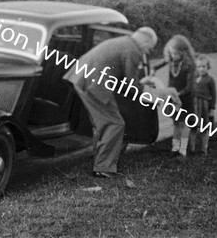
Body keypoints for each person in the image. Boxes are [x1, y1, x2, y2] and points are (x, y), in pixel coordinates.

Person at [63, 26, 158, 179]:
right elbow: (131, 83)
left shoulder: (124, 42)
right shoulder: (133, 50)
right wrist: (151, 94)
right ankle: (103, 168)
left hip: (81, 77)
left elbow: (122, 77)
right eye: (150, 48)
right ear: (144, 41)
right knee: (115, 124)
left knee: (103, 123)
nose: (148, 51)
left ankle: (100, 159)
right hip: (94, 84)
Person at [152, 35, 196, 158]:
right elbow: (158, 65)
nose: (173, 57)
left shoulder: (190, 65)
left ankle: (183, 150)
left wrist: (177, 94)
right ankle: (175, 148)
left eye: (175, 54)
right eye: (171, 54)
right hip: (173, 98)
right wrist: (153, 70)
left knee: (185, 123)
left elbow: (190, 87)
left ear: (183, 53)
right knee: (176, 123)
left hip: (185, 98)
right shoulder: (171, 61)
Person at [188, 54, 217, 156]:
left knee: (204, 128)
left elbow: (213, 95)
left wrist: (212, 108)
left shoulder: (210, 80)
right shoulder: (193, 78)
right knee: (193, 127)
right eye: (199, 66)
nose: (201, 69)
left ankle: (203, 150)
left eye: (203, 66)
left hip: (204, 106)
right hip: (194, 107)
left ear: (208, 67)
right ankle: (191, 148)